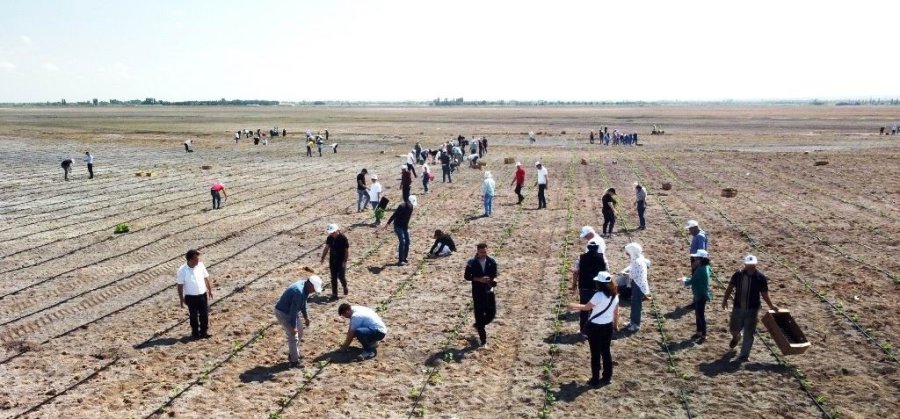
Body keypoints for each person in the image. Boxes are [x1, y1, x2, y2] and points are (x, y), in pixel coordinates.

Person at [722, 255, 779, 361]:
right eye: (749, 265)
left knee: (749, 332)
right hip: (738, 307)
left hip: (753, 309)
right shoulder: (738, 275)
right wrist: (724, 300)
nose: (750, 267)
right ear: (745, 264)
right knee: (733, 328)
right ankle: (736, 337)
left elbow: (764, 294)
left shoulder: (760, 278)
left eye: (752, 265)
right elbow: (730, 287)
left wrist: (771, 305)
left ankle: (744, 356)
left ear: (755, 264)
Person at [568, 272, 619, 387]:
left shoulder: (598, 295)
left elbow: (587, 308)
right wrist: (615, 325)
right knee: (606, 351)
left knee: (595, 354)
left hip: (595, 327)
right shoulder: (615, 295)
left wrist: (573, 306)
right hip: (608, 326)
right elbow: (616, 312)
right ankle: (607, 376)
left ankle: (595, 379)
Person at [274, 275, 323, 367]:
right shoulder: (298, 292)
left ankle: (293, 353)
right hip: (283, 313)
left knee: (300, 331)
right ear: (310, 285)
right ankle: (294, 361)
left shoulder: (305, 287)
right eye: (314, 289)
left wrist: (306, 317)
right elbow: (292, 312)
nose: (313, 291)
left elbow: (303, 303)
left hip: (291, 311)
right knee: (293, 336)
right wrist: (293, 327)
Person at [465, 243, 498, 347]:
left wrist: (493, 280)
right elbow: (467, 276)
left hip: (489, 291)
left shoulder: (492, 261)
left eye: (485, 252)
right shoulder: (471, 262)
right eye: (481, 252)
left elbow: (495, 275)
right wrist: (479, 279)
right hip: (477, 292)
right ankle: (483, 341)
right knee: (479, 314)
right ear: (477, 252)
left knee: (491, 314)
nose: (483, 254)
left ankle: (479, 325)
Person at [571, 240, 607, 334]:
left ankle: (583, 330)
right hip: (598, 287)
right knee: (596, 308)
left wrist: (574, 284)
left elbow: (575, 272)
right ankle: (594, 329)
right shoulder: (603, 258)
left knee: (584, 308)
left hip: (584, 286)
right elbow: (607, 272)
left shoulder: (581, 257)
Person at [176, 249, 213, 339]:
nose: (198, 261)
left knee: (204, 314)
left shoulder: (200, 265)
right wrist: (181, 300)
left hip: (202, 295)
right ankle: (195, 333)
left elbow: (206, 278)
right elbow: (180, 286)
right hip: (190, 297)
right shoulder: (182, 270)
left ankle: (204, 332)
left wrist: (209, 290)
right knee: (193, 315)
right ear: (190, 260)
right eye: (196, 259)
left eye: (198, 259)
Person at [681, 249, 713, 342]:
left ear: (700, 259)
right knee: (698, 314)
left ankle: (704, 334)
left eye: (696, 257)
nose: (695, 259)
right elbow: (695, 278)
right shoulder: (706, 267)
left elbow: (691, 281)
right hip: (701, 293)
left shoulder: (700, 269)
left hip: (700, 294)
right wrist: (686, 278)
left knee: (700, 315)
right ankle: (699, 331)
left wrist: (683, 281)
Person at [622, 243, 651, 332]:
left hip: (638, 285)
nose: (627, 253)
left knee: (636, 305)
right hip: (639, 284)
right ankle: (632, 321)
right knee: (634, 304)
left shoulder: (637, 261)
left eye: (628, 252)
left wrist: (626, 274)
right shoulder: (639, 258)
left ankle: (635, 324)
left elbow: (633, 275)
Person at [383, 196, 416, 265]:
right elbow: (394, 215)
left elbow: (407, 218)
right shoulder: (401, 206)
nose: (412, 205)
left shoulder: (412, 207)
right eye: (411, 203)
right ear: (408, 202)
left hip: (405, 227)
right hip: (398, 226)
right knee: (402, 241)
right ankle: (400, 260)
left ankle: (404, 258)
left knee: (408, 241)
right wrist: (387, 224)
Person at [321, 224, 350, 300]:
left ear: (337, 230)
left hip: (341, 261)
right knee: (333, 278)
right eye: (331, 233)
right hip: (333, 260)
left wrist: (344, 261)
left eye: (333, 232)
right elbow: (326, 248)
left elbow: (346, 251)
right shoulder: (329, 238)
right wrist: (323, 257)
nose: (332, 234)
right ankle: (334, 294)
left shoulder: (343, 238)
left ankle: (344, 286)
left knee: (341, 276)